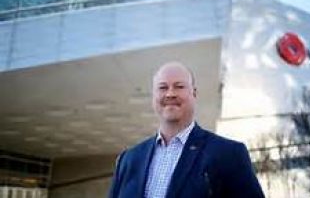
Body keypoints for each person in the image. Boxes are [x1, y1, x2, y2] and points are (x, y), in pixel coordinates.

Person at [109, 61, 265, 198]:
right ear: (153, 96)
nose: (170, 93)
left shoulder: (228, 154)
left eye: (179, 86)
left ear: (194, 93)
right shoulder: (128, 160)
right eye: (163, 87)